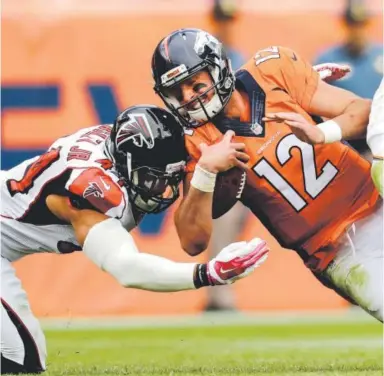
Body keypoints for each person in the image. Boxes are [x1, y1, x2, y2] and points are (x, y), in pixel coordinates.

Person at [0, 104, 269, 374]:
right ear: (127, 165)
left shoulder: (117, 149)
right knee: (21, 356)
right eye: (153, 178)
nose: (164, 188)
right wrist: (208, 273)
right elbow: (127, 268)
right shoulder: (89, 192)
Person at [151, 28, 383, 322]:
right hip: (336, 251)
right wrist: (205, 173)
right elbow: (191, 241)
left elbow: (367, 116)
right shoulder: (193, 141)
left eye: (195, 85)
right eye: (176, 92)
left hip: (376, 200)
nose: (188, 99)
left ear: (219, 69)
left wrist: (321, 132)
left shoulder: (272, 72)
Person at [205, 0, 248, 311]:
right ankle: (220, 297)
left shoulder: (240, 59)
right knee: (222, 222)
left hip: (242, 155)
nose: (226, 27)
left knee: (235, 224)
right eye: (222, 20)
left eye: (230, 20)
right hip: (214, 153)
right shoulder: (200, 60)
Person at [314, 0, 383, 156]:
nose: (357, 31)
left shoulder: (381, 56)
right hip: (342, 141)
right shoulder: (328, 59)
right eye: (352, 24)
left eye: (360, 24)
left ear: (368, 24)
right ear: (345, 24)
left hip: (377, 139)